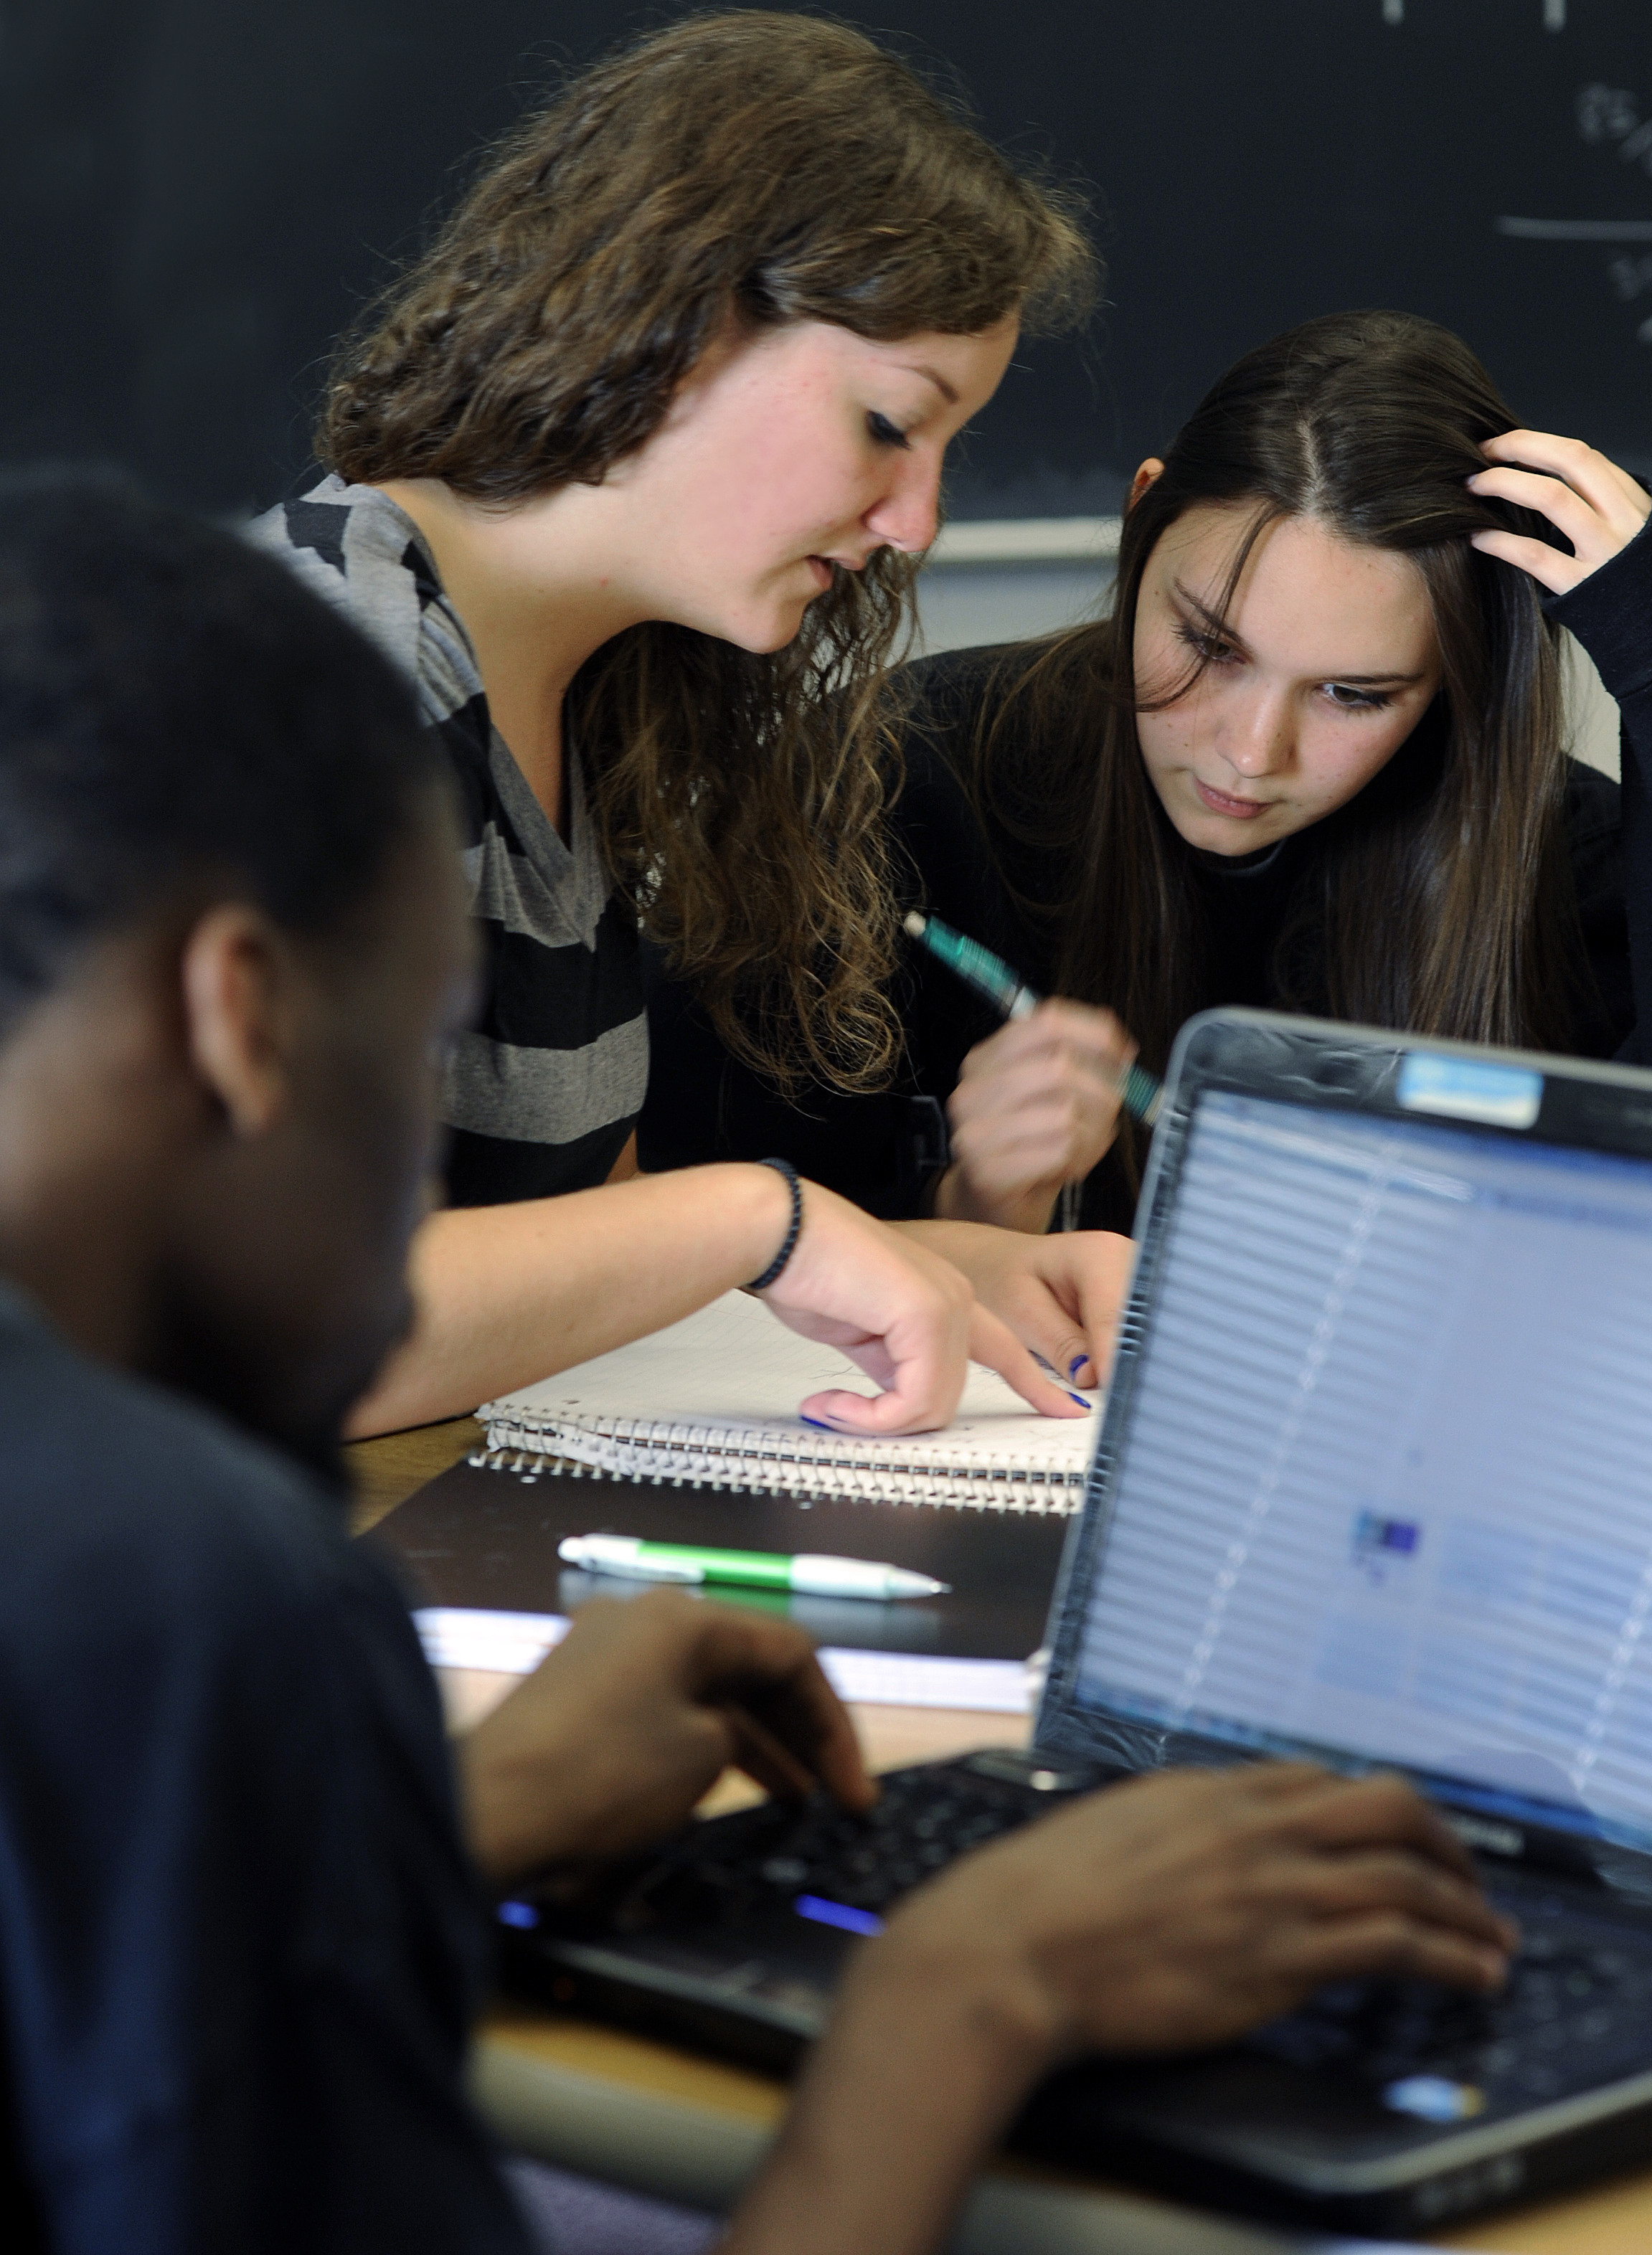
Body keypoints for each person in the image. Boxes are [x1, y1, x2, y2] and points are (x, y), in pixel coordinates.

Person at [0, 473, 1515, 2254]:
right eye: (420, 1054)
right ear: (239, 1016)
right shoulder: (178, 1594)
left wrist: (453, 1816)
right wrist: (977, 1979)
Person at [252, 7, 1133, 1433]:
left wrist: (940, 1260)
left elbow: (558, 1237)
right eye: (892, 426)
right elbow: (301, 1326)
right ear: (678, 326)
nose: (917, 524)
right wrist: (764, 1221)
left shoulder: (586, 688)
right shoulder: (334, 677)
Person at [640, 308, 1652, 1237]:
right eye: (1208, 646)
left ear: (1451, 680)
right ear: (1142, 522)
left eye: (1355, 695)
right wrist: (973, 1205)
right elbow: (694, 1252)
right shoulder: (889, 778)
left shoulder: (1546, 852)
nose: (1247, 751)